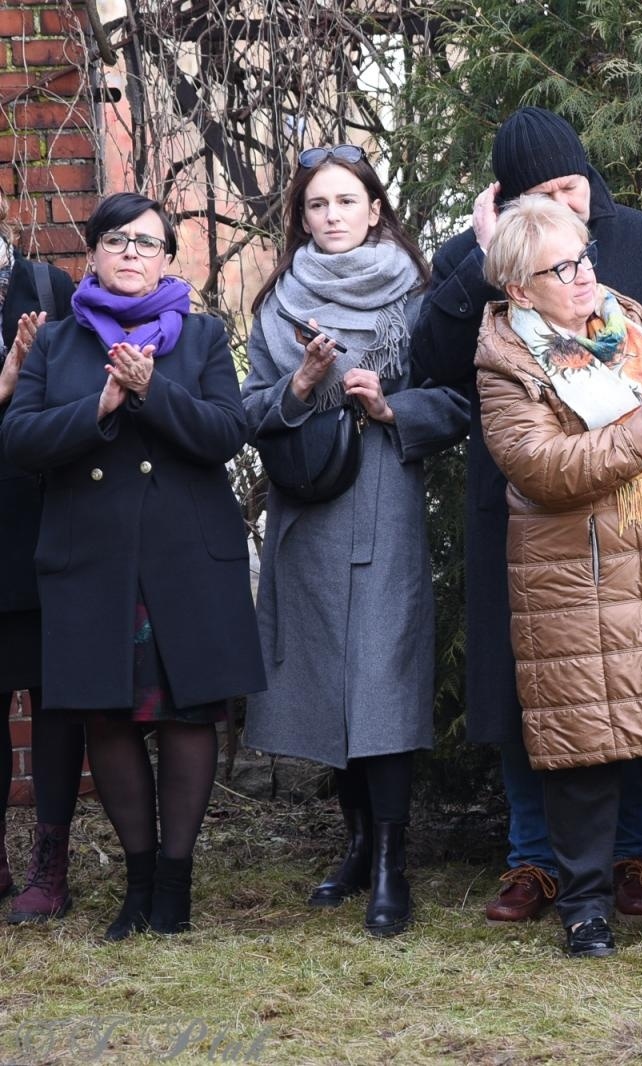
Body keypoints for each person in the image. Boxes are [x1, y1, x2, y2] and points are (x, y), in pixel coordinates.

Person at [411, 107, 642, 925]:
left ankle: (632, 860)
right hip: (527, 506)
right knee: (544, 688)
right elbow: (431, 364)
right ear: (506, 202)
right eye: (543, 194)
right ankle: (533, 860)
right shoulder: (470, 260)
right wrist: (480, 260)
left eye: (572, 186)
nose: (566, 207)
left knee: (641, 678)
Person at [474, 195, 642, 958]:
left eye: (583, 257)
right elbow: (544, 467)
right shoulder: (506, 358)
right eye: (562, 268)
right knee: (583, 749)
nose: (584, 274)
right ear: (520, 289)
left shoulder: (626, 319)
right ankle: (585, 909)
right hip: (573, 579)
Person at [1, 193, 265, 939]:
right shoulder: (57, 344)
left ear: (167, 261)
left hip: (185, 560)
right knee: (108, 720)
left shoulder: (205, 337)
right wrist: (100, 409)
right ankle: (137, 883)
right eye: (116, 241)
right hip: (92, 560)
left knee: (187, 719)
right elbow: (19, 440)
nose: (130, 254)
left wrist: (151, 392)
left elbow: (227, 433)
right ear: (92, 253)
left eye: (147, 244)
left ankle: (175, 890)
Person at [241, 144, 467, 937]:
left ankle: (391, 864)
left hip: (383, 503)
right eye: (316, 205)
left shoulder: (418, 297)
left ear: (376, 210)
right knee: (328, 686)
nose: (331, 216)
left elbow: (458, 402)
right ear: (300, 220)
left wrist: (390, 406)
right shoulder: (275, 304)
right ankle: (357, 840)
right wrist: (299, 387)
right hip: (307, 513)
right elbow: (248, 413)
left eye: (346, 201)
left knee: (383, 682)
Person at [0, 191, 84, 925]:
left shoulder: (48, 287)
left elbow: (78, 403)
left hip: (47, 529)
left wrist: (33, 378)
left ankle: (49, 865)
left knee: (55, 705)